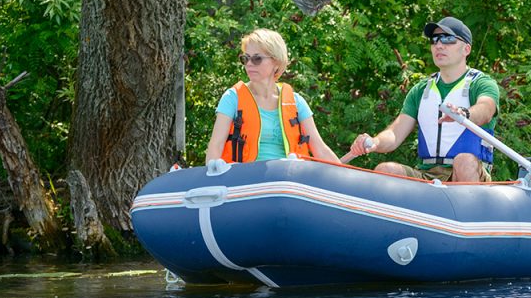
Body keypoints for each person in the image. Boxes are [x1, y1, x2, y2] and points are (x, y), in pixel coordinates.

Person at [349, 16, 500, 182]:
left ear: (466, 49)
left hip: (467, 172)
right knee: (385, 169)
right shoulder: (421, 90)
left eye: (448, 39)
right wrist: (375, 141)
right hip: (428, 175)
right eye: (434, 40)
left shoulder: (481, 83)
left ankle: (469, 207)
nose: (439, 45)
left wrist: (464, 114)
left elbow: (486, 109)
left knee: (463, 161)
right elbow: (394, 133)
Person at [206, 29, 339, 165]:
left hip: (289, 180)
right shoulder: (232, 98)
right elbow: (215, 147)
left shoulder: (296, 102)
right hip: (246, 180)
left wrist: (348, 177)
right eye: (245, 58)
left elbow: (320, 149)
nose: (249, 64)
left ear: (276, 62)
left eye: (257, 58)